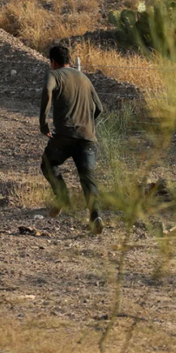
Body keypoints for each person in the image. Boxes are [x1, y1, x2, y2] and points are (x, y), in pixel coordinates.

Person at [40, 46, 105, 234]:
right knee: (87, 177)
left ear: (53, 61)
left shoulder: (54, 75)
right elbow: (99, 108)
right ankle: (96, 216)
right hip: (88, 138)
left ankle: (62, 197)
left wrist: (43, 124)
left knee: (48, 163)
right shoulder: (85, 78)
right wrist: (86, 125)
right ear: (68, 59)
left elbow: (46, 89)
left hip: (65, 135)